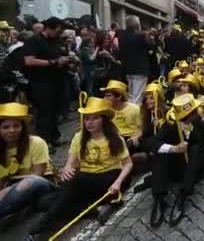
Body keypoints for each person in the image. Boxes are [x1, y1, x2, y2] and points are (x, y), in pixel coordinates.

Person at [27, 97, 132, 239]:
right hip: (85, 181)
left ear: (103, 120)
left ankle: (43, 226)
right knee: (44, 202)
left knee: (75, 182)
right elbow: (70, 162)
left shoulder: (114, 138)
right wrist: (67, 169)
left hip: (110, 180)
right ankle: (95, 210)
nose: (89, 123)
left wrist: (117, 183)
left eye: (94, 118)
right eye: (87, 119)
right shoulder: (79, 137)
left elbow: (128, 164)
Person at [145, 94, 204, 227]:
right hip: (175, 166)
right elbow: (150, 143)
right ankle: (159, 199)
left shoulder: (197, 122)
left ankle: (182, 196)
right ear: (190, 114)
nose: (197, 112)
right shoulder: (170, 126)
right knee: (160, 154)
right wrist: (173, 148)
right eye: (195, 111)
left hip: (194, 166)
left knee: (196, 149)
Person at [0, 103, 54, 219]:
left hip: (41, 183)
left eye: (16, 126)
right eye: (6, 127)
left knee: (30, 182)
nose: (12, 130)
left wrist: (8, 189)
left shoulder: (36, 142)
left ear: (23, 127)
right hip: (11, 190)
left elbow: (37, 175)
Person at [23, 17, 68, 149]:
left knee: (55, 111)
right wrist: (52, 62)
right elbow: (29, 61)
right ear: (48, 28)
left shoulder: (57, 40)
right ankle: (44, 142)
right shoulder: (34, 41)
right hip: (41, 83)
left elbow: (60, 54)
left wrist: (68, 59)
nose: (59, 34)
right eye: (58, 31)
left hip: (57, 80)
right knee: (44, 113)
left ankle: (55, 137)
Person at [117, 15, 151, 105]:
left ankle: (129, 113)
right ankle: (135, 116)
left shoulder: (121, 36)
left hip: (128, 69)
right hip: (140, 69)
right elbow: (150, 47)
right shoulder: (141, 36)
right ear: (137, 25)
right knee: (137, 97)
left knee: (131, 95)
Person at [101, 80, 142, 147]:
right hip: (114, 138)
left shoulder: (135, 109)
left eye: (108, 96)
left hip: (132, 138)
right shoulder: (106, 110)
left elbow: (142, 129)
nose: (105, 99)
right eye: (104, 96)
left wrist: (134, 138)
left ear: (119, 97)